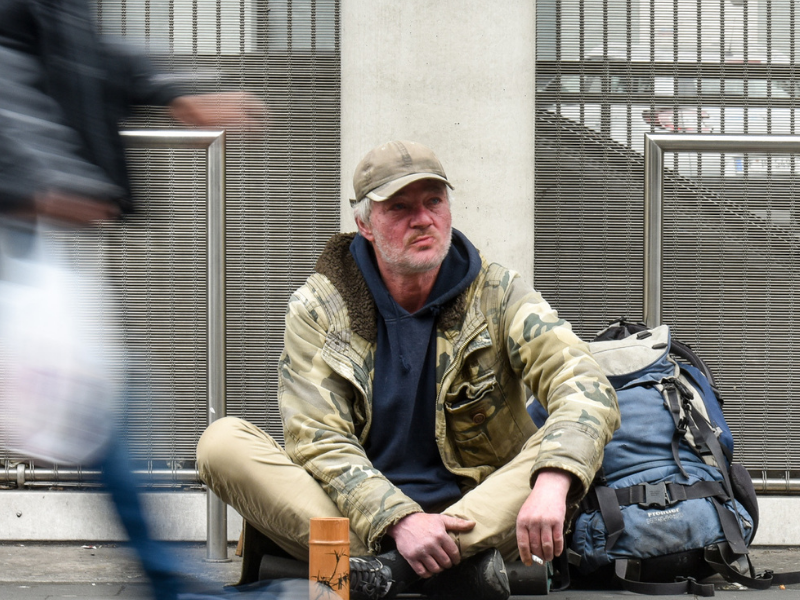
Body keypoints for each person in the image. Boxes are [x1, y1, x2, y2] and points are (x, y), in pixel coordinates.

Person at [197, 140, 620, 600]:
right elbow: (320, 441)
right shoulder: (321, 306)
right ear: (364, 225)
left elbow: (584, 383)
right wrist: (399, 520)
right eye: (399, 208)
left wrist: (552, 482)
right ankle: (443, 569)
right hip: (357, 513)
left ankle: (381, 575)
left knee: (561, 438)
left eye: (434, 202)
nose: (423, 220)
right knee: (222, 443)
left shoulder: (498, 294)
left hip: (475, 510)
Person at [0, 1, 265, 599]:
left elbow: (85, 48)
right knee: (105, 407)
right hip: (25, 223)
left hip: (45, 225)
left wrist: (172, 91)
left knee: (107, 405)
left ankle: (168, 580)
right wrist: (45, 179)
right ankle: (170, 583)